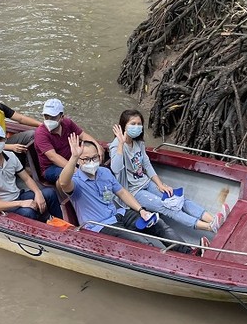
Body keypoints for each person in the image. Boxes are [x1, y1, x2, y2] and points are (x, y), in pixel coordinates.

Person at [58, 133, 193, 252]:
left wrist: (141, 210)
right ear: (79, 161)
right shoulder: (76, 182)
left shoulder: (104, 172)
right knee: (142, 243)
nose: (91, 162)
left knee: (158, 223)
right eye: (86, 159)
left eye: (94, 158)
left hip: (119, 214)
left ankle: (188, 252)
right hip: (100, 226)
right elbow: (63, 183)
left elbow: (122, 192)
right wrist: (74, 157)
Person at [109, 110, 227, 244]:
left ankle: (213, 219)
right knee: (167, 206)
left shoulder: (138, 143)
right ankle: (209, 227)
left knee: (176, 199)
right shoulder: (116, 146)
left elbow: (146, 165)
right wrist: (120, 143)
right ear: (124, 126)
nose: (136, 127)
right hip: (133, 192)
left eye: (139, 124)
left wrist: (160, 185)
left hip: (146, 183)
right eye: (133, 124)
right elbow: (115, 168)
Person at [0, 123, 63, 222]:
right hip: (5, 205)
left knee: (49, 193)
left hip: (18, 195)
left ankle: (61, 223)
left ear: (5, 139)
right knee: (28, 212)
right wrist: (21, 203)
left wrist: (38, 193)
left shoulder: (11, 156)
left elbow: (26, 178)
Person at [34, 98, 99, 183]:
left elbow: (82, 135)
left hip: (71, 159)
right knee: (68, 176)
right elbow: (53, 157)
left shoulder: (67, 123)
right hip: (51, 168)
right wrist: (75, 170)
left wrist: (97, 146)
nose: (49, 120)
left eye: (53, 117)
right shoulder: (41, 133)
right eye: (46, 117)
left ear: (61, 117)